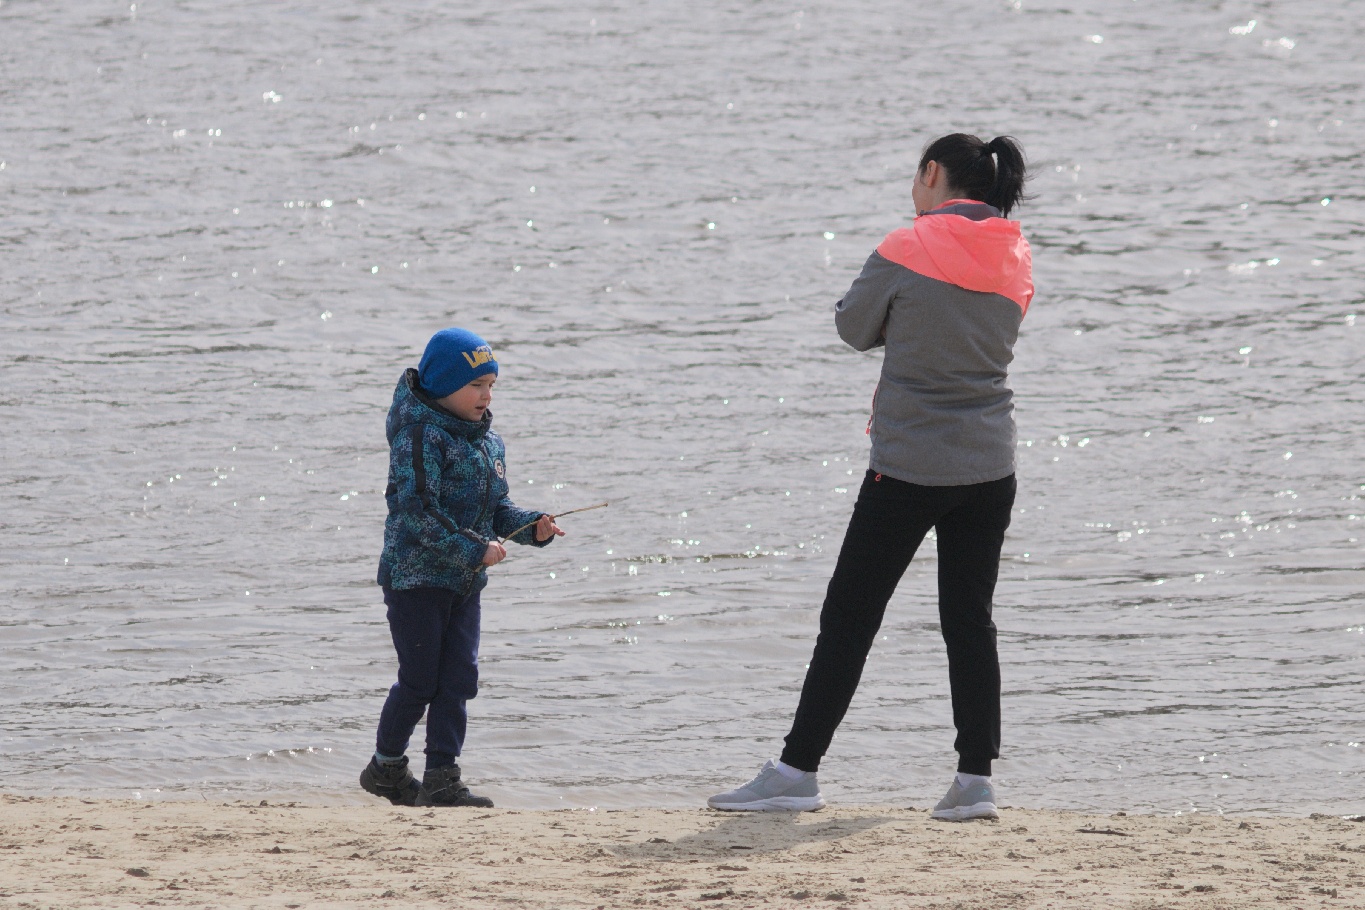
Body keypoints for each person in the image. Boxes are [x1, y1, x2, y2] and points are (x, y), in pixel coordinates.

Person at [708, 133, 1033, 820]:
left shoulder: (907, 244)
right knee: (969, 622)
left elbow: (853, 328)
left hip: (908, 465)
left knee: (848, 619)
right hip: (989, 463)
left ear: (931, 173)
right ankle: (975, 782)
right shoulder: (1015, 250)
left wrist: (903, 323)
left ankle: (797, 772)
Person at [360, 328, 564, 808]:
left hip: (464, 584)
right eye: (476, 385)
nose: (487, 396)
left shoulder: (488, 442)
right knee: (419, 682)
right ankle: (385, 768)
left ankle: (442, 778)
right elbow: (416, 512)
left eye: (491, 385)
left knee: (459, 680)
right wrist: (475, 550)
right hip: (415, 581)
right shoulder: (418, 436)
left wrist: (533, 528)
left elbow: (498, 511)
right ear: (444, 385)